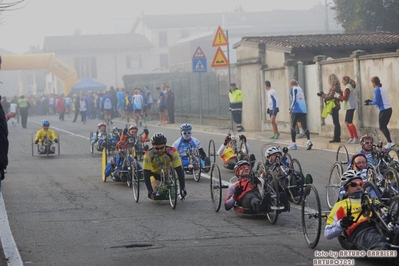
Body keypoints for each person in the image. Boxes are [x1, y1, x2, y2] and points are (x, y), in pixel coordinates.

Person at [325, 170, 389, 251]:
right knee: (383, 247)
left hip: (380, 226)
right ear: (346, 188)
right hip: (362, 231)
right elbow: (327, 233)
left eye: (361, 184)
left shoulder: (372, 200)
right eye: (353, 185)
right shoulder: (341, 205)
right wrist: (341, 224)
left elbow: (387, 213)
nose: (358, 187)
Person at [143, 133, 187, 199]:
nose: (159, 150)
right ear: (152, 146)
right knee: (156, 195)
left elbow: (179, 171)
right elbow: (146, 174)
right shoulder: (148, 155)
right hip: (155, 174)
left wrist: (182, 188)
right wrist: (150, 191)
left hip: (168, 173)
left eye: (161, 148)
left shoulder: (173, 152)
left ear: (165, 145)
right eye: (157, 148)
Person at [364, 76, 395, 149]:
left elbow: (377, 101)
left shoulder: (377, 90)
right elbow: (380, 100)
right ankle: (390, 142)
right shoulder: (382, 89)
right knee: (384, 126)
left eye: (372, 83)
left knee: (382, 127)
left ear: (374, 83)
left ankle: (390, 142)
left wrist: (370, 103)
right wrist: (371, 101)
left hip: (383, 110)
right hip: (389, 109)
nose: (372, 84)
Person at [317, 73, 343, 143]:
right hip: (336, 105)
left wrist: (322, 95)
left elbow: (330, 97)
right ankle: (337, 137)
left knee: (336, 122)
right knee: (336, 122)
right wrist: (324, 94)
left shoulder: (334, 87)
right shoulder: (337, 86)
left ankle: (336, 137)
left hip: (334, 106)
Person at [288, 79, 312, 150]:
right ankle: (309, 141)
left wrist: (290, 108)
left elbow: (294, 99)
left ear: (291, 84)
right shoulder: (300, 89)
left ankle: (293, 144)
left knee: (293, 126)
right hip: (303, 109)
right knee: (304, 125)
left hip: (296, 109)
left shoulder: (293, 89)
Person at [338, 76, 359, 144]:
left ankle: (355, 137)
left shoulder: (348, 87)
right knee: (347, 122)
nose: (342, 82)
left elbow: (345, 98)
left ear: (346, 81)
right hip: (349, 106)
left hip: (350, 106)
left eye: (343, 80)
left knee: (349, 122)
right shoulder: (348, 86)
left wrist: (338, 97)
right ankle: (351, 137)